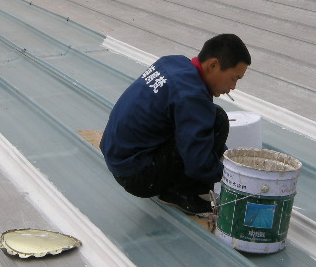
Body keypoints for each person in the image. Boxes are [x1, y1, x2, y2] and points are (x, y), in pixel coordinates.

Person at [100, 33, 251, 215]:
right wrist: (234, 177)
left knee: (212, 117)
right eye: (234, 78)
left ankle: (179, 187)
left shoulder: (174, 63)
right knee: (216, 122)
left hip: (117, 155)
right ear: (213, 65)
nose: (233, 86)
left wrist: (223, 156)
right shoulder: (191, 96)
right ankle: (181, 194)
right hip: (136, 175)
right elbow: (198, 163)